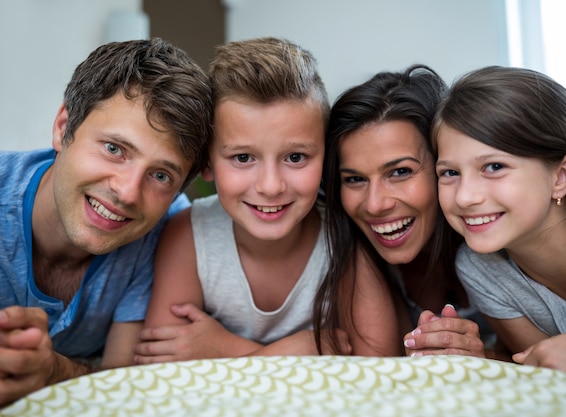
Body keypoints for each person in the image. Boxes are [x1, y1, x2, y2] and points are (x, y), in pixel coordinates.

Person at [133, 37, 401, 364]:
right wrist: (298, 352)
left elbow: (381, 364)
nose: (271, 186)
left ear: (327, 157)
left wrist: (227, 351)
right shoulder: (189, 237)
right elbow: (163, 364)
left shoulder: (343, 235)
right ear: (206, 162)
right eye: (243, 157)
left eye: (296, 157)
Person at [0, 38, 213, 413]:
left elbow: (126, 382)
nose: (127, 192)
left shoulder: (171, 233)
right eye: (114, 149)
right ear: (63, 128)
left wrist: (53, 371)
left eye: (160, 175)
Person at [432, 65, 566, 374]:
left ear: (562, 176)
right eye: (450, 173)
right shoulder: (479, 268)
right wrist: (476, 359)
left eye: (494, 166)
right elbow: (543, 374)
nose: (464, 197)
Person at [314, 65, 489, 358]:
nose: (374, 204)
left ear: (444, 167)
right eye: (355, 179)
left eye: (399, 171)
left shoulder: (498, 234)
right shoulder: (351, 254)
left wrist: (485, 358)